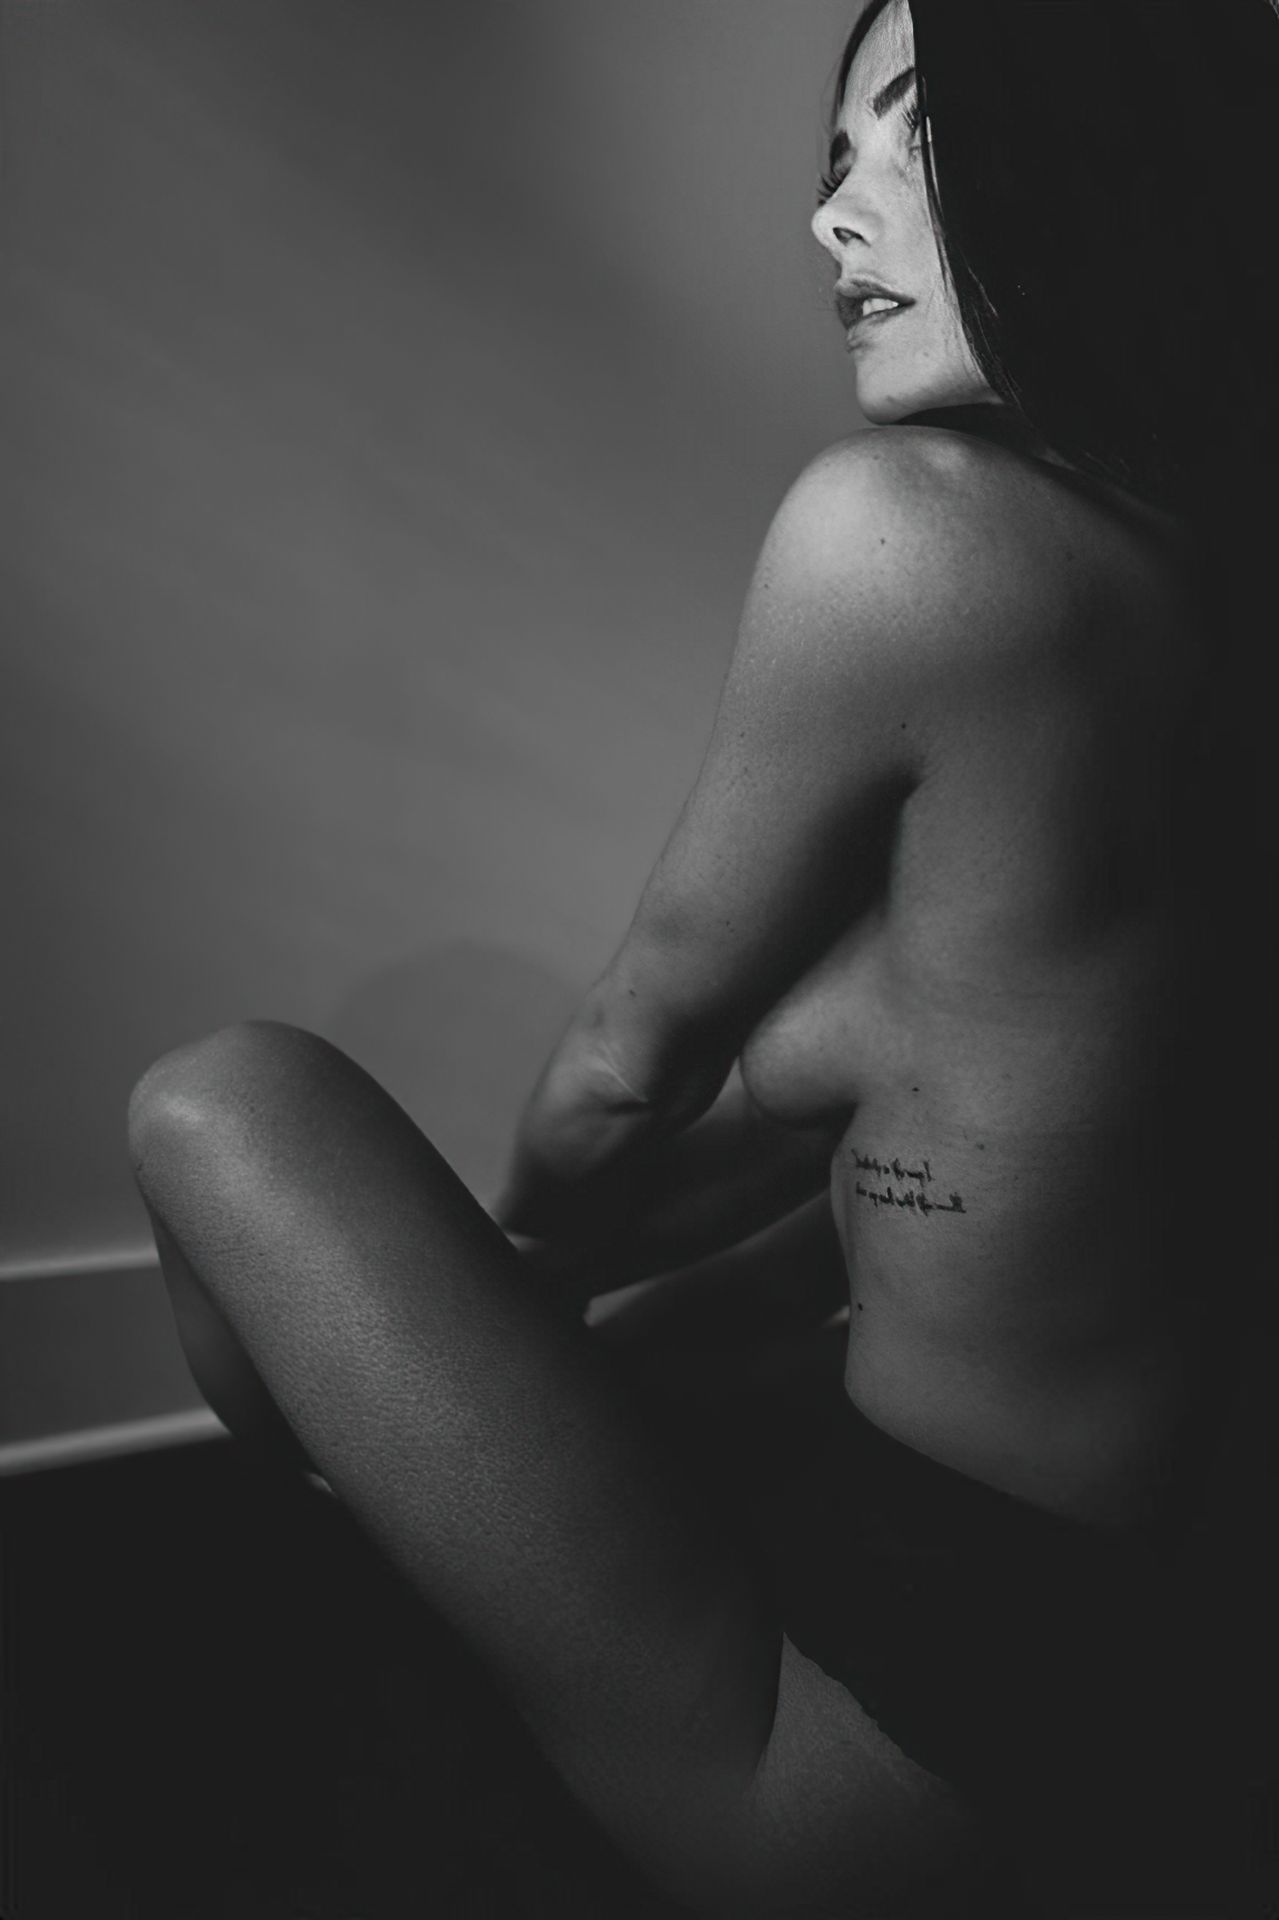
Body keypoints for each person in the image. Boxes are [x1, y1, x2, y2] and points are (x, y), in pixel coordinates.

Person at [128, 1, 1279, 1912]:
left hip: (904, 1775)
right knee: (711, 1286)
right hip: (1136, 1670)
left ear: (1113, 161)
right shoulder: (1195, 614)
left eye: (912, 134)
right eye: (834, 162)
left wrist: (508, 1284)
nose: (834, 218)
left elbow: (629, 1060)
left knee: (221, 1106)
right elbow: (895, 1115)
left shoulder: (917, 537)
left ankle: (356, 1581)